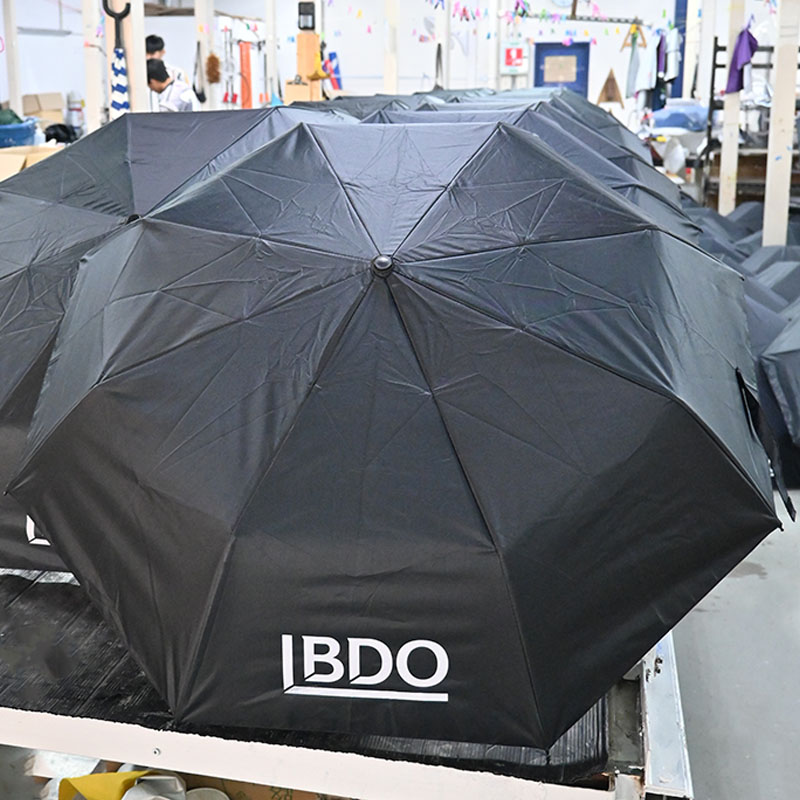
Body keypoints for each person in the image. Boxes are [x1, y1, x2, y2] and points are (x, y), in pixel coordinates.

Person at [146, 35, 189, 112]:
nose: (149, 57)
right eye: (147, 54)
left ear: (162, 52)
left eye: (152, 54)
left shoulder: (177, 73)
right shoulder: (141, 73)